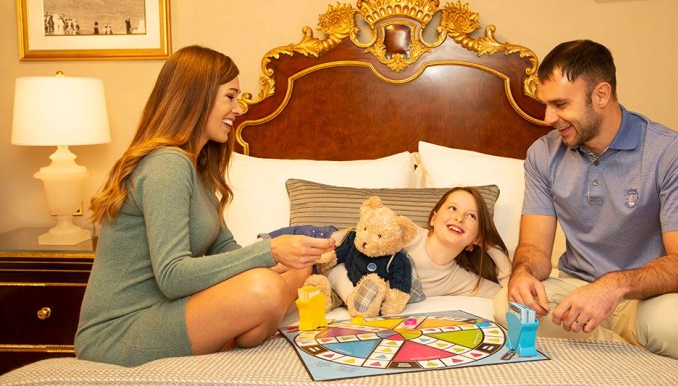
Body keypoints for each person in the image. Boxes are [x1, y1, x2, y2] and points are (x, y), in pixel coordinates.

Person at [75, 45, 335, 367]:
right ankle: (240, 328)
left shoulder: (197, 168)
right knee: (264, 288)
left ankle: (237, 329)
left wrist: (292, 257)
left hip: (168, 311)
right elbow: (173, 276)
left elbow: (227, 252)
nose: (238, 109)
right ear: (196, 97)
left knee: (295, 271)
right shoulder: (167, 165)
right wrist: (269, 251)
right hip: (120, 331)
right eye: (230, 97)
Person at [493, 39, 678, 383]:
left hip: (649, 296)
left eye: (560, 104)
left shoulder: (676, 153)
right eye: (546, 104)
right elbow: (534, 249)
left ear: (601, 95)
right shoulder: (542, 155)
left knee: (672, 324)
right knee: (508, 306)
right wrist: (522, 273)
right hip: (576, 288)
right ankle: (633, 361)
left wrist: (611, 287)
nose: (548, 118)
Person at [327, 187, 512, 303]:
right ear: (433, 219)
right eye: (453, 208)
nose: (459, 218)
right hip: (329, 250)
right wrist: (351, 296)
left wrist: (489, 246)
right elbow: (337, 246)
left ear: (474, 240)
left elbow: (510, 293)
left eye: (471, 216)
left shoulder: (459, 280)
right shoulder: (407, 234)